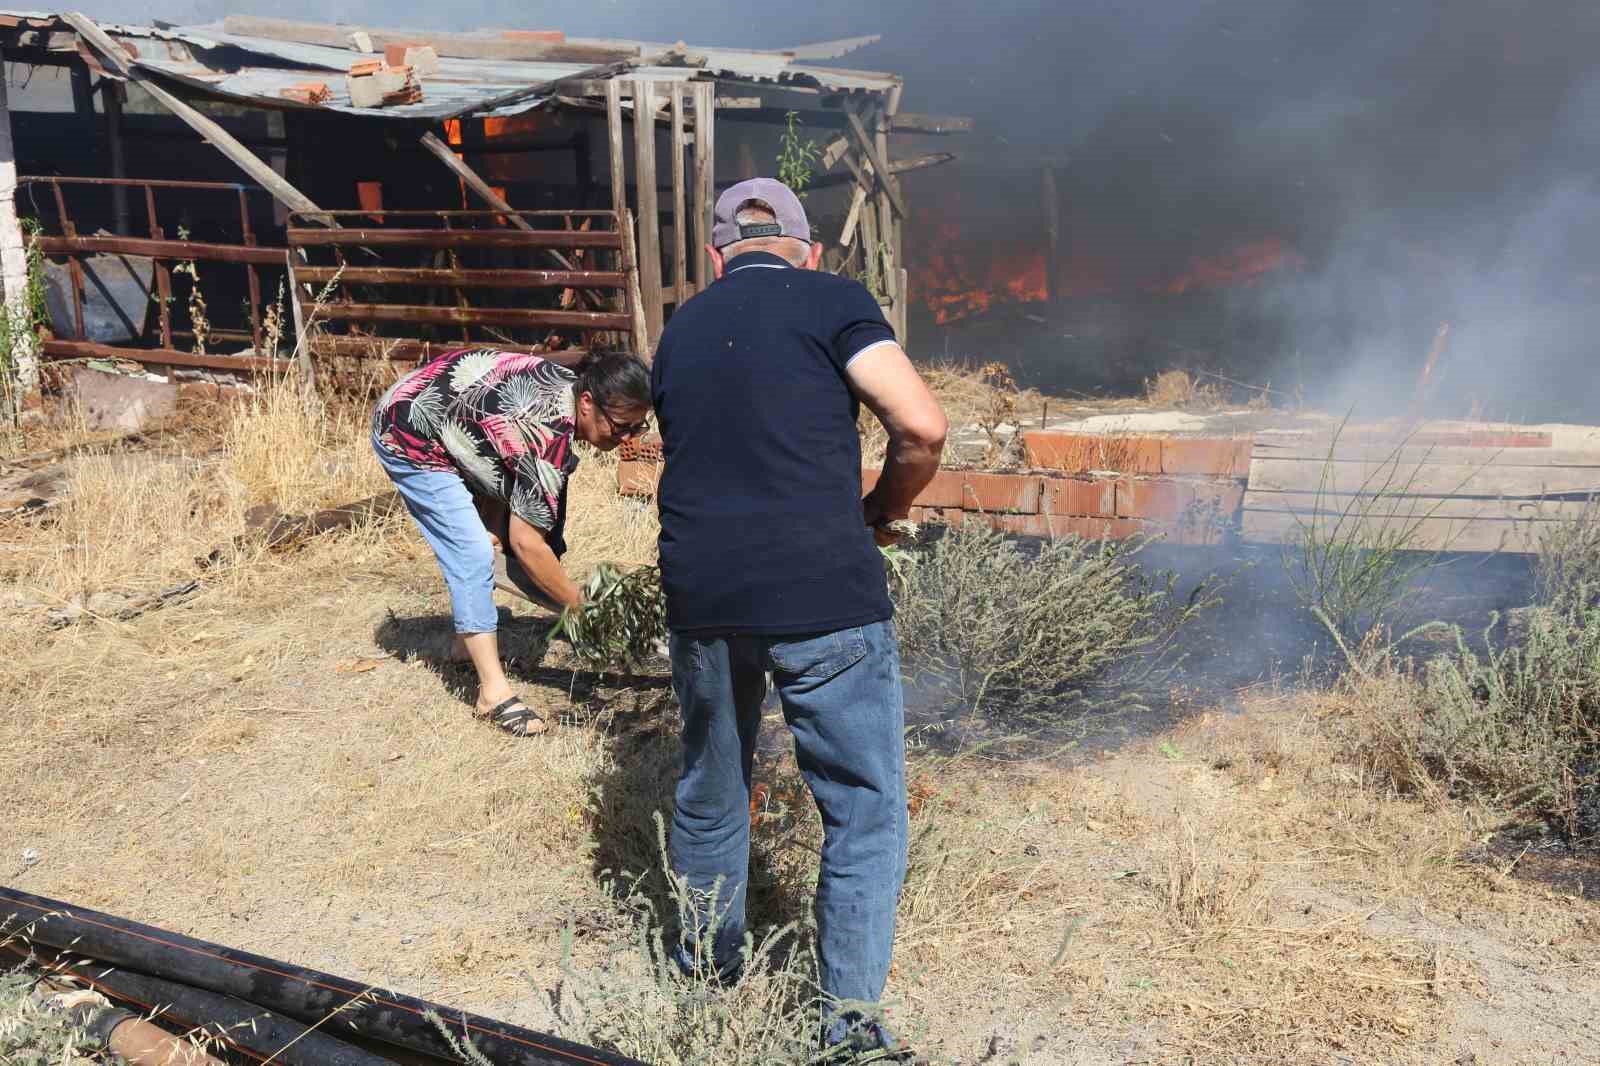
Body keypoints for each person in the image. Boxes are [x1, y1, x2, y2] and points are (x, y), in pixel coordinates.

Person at [650, 178, 948, 1055]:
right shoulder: (834, 300)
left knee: (712, 790)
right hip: (821, 591)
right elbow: (922, 427)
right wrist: (881, 512)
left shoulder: (682, 328)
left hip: (702, 593)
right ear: (807, 249)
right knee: (861, 804)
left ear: (716, 256)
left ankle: (706, 978)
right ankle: (848, 1028)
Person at [372, 348, 652, 736]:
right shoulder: (545, 435)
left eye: (637, 427)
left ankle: (462, 645)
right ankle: (492, 693)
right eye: (621, 426)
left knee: (499, 530)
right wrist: (579, 607)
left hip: (450, 416)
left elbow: (499, 440)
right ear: (586, 402)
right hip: (409, 431)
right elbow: (526, 543)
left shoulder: (569, 393)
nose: (626, 438)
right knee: (469, 549)